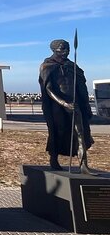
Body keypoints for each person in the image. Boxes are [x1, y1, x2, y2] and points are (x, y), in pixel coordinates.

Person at [39, 39, 94, 173]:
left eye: (68, 49)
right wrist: (63, 103)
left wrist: (85, 105)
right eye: (62, 49)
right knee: (58, 132)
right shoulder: (47, 66)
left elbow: (81, 87)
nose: (66, 52)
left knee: (80, 133)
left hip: (75, 104)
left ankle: (83, 164)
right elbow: (48, 89)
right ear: (54, 50)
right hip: (57, 106)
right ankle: (54, 159)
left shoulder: (72, 66)